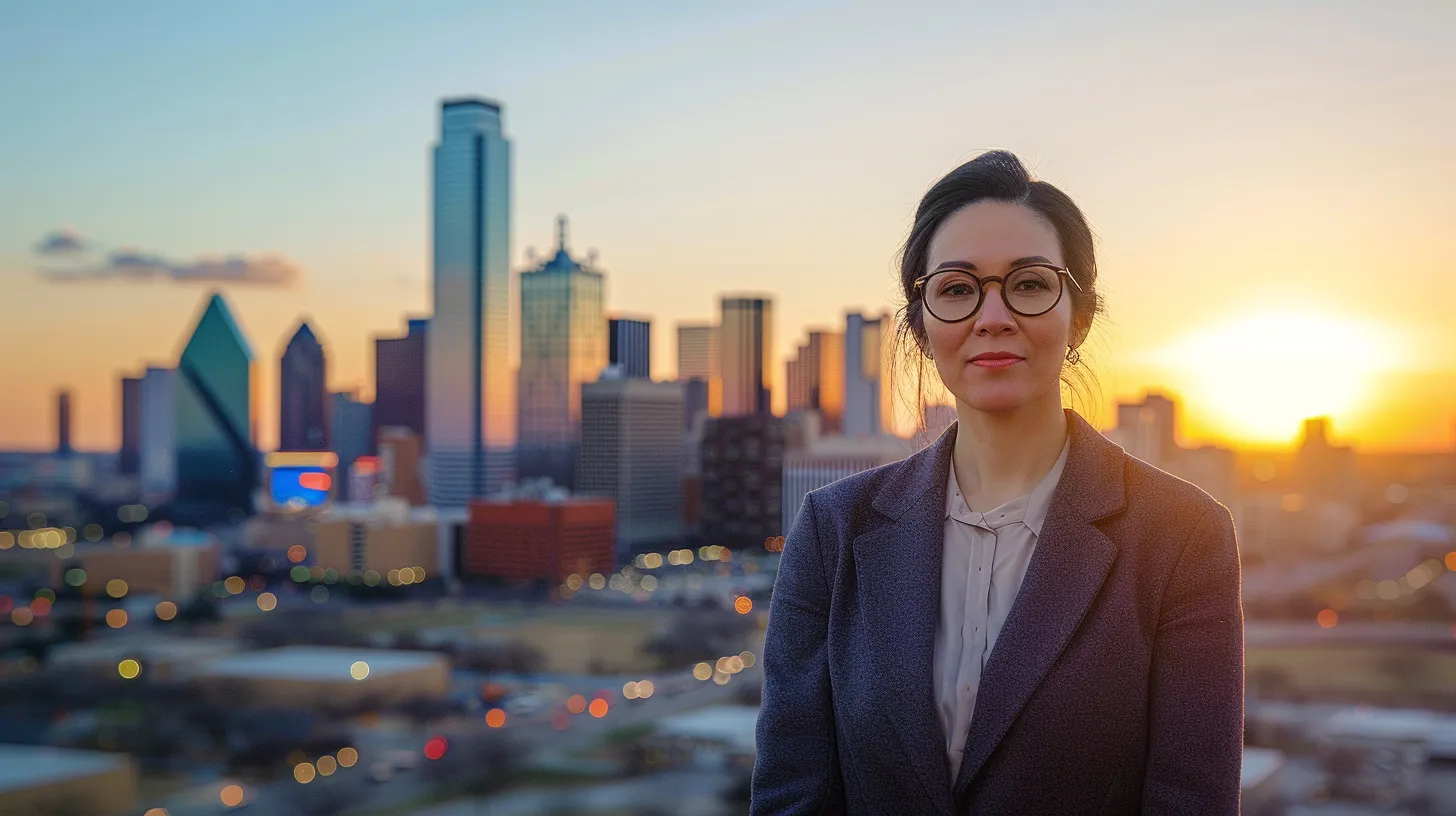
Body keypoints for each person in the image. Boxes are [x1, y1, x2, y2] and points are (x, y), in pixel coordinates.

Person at [751, 150, 1244, 815]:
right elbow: (792, 795)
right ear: (921, 327)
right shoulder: (834, 530)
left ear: (1081, 316)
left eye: (1030, 284)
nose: (993, 316)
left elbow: (1190, 802)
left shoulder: (1183, 536)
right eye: (956, 289)